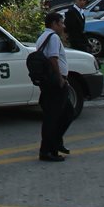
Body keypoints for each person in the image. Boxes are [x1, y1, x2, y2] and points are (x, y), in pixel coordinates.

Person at [36, 11, 73, 162]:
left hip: (48, 82)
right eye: (61, 23)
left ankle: (56, 142)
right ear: (54, 24)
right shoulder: (53, 37)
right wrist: (60, 79)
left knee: (67, 112)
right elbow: (53, 59)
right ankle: (47, 151)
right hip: (55, 82)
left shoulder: (42, 36)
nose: (63, 26)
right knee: (53, 117)